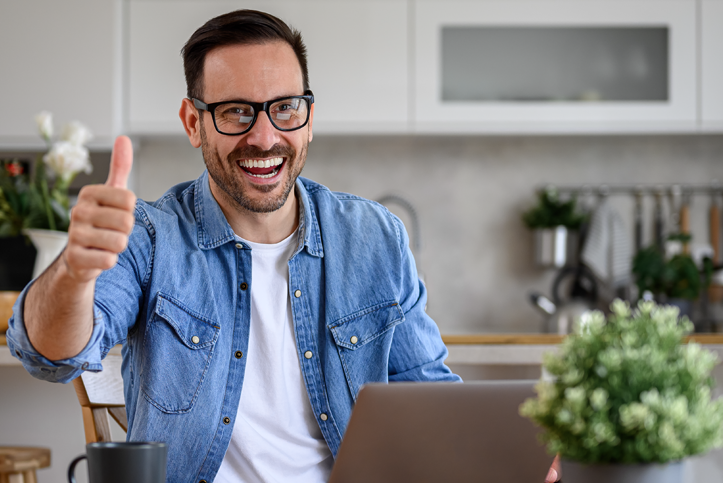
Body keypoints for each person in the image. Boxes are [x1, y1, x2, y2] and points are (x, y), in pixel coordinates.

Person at [7, 9, 559, 483]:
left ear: (310, 117)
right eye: (236, 111)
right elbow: (48, 356)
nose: (265, 137)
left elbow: (432, 400)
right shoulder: (150, 237)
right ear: (193, 123)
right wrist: (76, 272)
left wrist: (515, 460)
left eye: (285, 108)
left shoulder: (375, 237)